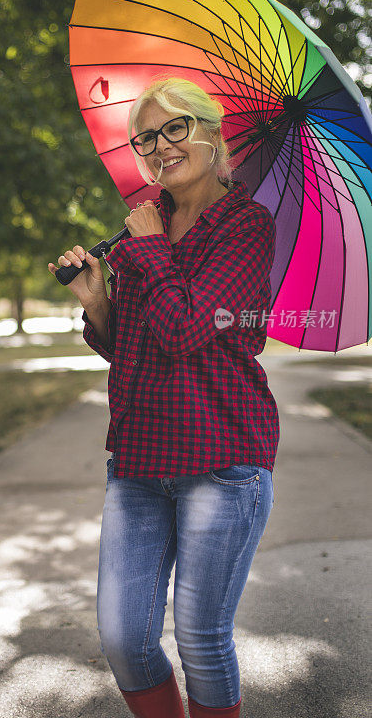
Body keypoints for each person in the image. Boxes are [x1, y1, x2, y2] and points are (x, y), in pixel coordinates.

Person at [47, 77, 279, 718]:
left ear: (211, 133)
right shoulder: (148, 223)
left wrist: (149, 248)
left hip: (222, 459)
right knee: (124, 638)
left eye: (173, 129)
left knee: (201, 640)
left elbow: (186, 330)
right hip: (140, 460)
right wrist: (98, 300)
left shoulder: (246, 224)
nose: (158, 147)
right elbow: (137, 350)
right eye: (146, 136)